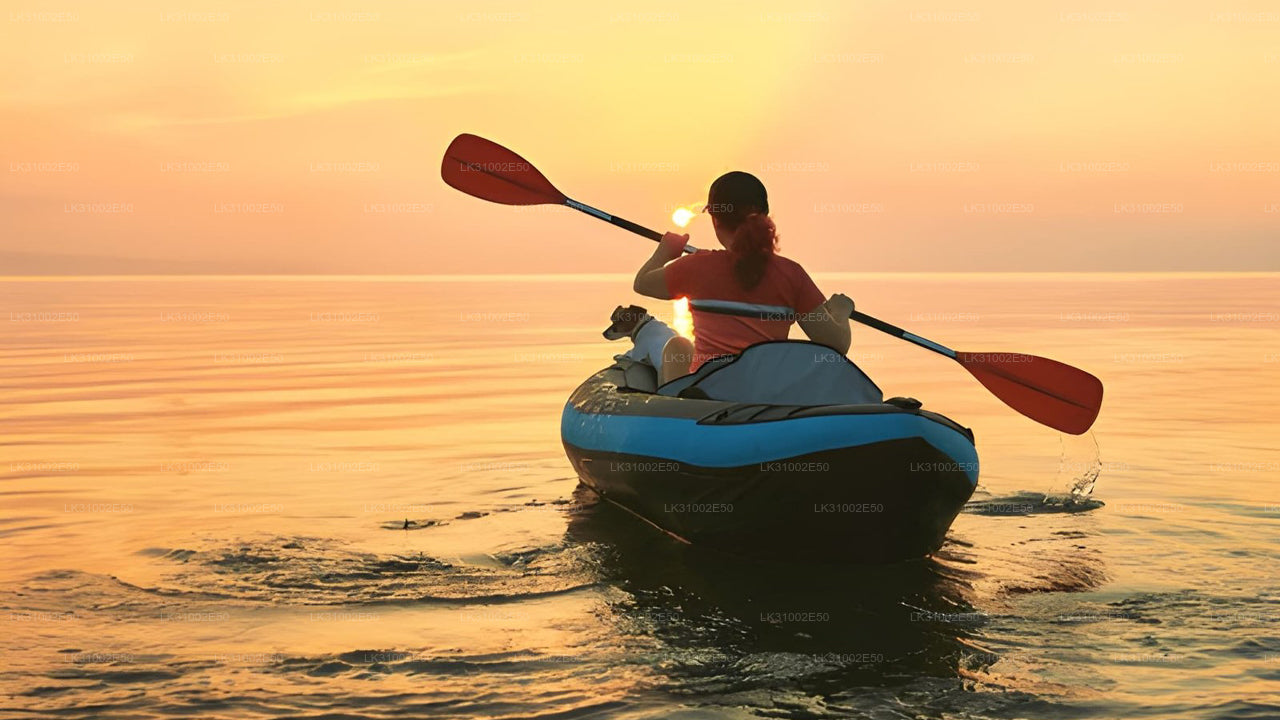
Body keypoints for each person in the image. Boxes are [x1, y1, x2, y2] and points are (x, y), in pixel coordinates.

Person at [615, 170, 853, 384]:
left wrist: (664, 252)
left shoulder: (695, 267)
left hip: (707, 396)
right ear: (765, 217)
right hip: (765, 395)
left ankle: (669, 414)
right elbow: (837, 345)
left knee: (678, 346)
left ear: (715, 220)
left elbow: (642, 283)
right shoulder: (792, 275)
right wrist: (839, 313)